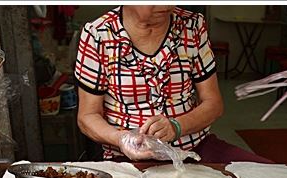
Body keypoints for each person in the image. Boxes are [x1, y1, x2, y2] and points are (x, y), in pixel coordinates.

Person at [74, 5, 272, 163]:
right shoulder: (98, 35)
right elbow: (87, 116)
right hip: (127, 158)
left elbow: (213, 103)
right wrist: (122, 139)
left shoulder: (192, 27)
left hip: (194, 149)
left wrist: (177, 126)